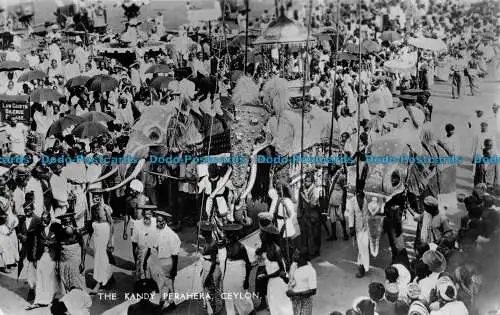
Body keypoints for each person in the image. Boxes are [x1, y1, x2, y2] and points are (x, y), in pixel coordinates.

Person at [143, 210, 181, 311]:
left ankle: (166, 304)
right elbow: (150, 247)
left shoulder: (172, 235)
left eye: (161, 221)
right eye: (157, 221)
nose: (158, 223)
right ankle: (167, 303)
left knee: (167, 284)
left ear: (166, 221)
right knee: (158, 284)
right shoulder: (154, 231)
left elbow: (175, 254)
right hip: (154, 260)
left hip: (166, 262)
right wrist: (145, 262)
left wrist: (174, 270)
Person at [256, 224, 293, 315]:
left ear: (268, 236)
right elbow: (270, 267)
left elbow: (282, 270)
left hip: (279, 283)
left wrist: (267, 276)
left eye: (263, 234)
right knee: (274, 306)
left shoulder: (276, 250)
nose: (261, 235)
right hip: (272, 283)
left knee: (282, 307)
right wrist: (264, 272)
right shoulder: (267, 248)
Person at [27, 211, 58, 310]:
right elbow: (35, 243)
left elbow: (58, 244)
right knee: (40, 278)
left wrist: (57, 259)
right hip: (41, 256)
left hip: (51, 256)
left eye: (45, 220)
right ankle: (39, 300)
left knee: (50, 277)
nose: (43, 222)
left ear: (50, 218)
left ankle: (50, 298)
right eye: (42, 219)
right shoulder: (38, 228)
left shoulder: (56, 227)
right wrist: (35, 258)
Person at [221, 223, 255, 315]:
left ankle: (248, 311)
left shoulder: (241, 247)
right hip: (229, 274)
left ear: (233, 235)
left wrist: (246, 280)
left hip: (239, 274)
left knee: (241, 296)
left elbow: (248, 264)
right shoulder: (226, 246)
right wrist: (224, 276)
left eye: (227, 234)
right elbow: (224, 262)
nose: (225, 235)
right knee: (229, 295)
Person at [54, 212, 87, 293]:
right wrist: (57, 264)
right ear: (62, 224)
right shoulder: (59, 234)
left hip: (75, 259)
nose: (68, 225)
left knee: (76, 279)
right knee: (64, 278)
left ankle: (79, 297)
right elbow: (58, 249)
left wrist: (82, 262)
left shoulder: (77, 233)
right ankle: (67, 299)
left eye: (70, 223)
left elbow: (83, 247)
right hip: (63, 261)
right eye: (65, 223)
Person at [89, 189, 114, 294]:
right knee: (98, 258)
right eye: (94, 196)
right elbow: (91, 223)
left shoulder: (106, 208)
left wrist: (110, 241)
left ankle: (101, 282)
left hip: (105, 233)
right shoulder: (92, 208)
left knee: (104, 258)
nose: (95, 198)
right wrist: (88, 239)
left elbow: (112, 224)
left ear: (101, 197)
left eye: (97, 196)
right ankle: (108, 278)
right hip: (97, 235)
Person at [17, 200, 40, 302]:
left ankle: (36, 289)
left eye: (29, 210)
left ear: (33, 209)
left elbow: (40, 236)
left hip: (34, 249)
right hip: (25, 249)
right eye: (25, 210)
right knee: (27, 269)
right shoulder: (21, 219)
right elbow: (17, 232)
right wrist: (21, 236)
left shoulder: (38, 220)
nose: (26, 212)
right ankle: (31, 288)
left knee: (35, 270)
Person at [199, 221, 223, 315]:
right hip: (207, 266)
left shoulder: (212, 244)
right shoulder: (207, 241)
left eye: (202, 231)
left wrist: (209, 275)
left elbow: (213, 262)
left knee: (213, 289)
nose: (201, 233)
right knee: (207, 288)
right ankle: (211, 306)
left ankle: (217, 309)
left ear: (206, 233)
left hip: (212, 268)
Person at [346, 185, 369, 278]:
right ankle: (362, 267)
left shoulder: (366, 199)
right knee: (361, 249)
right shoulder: (352, 201)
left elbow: (368, 213)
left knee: (364, 249)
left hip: (366, 228)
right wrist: (351, 228)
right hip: (358, 229)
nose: (360, 192)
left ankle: (362, 267)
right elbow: (351, 215)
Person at [298, 172, 322, 258]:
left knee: (315, 234)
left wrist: (304, 197)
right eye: (305, 181)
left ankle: (316, 251)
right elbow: (300, 203)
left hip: (314, 213)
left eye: (308, 181)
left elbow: (312, 204)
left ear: (312, 182)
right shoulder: (303, 188)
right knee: (307, 233)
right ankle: (309, 251)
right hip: (306, 213)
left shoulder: (314, 190)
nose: (306, 183)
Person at [287, 249, 317, 315]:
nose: (293, 256)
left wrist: (294, 294)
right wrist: (284, 277)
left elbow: (313, 291)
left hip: (305, 303)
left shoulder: (310, 270)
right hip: (295, 302)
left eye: (296, 254)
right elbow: (291, 281)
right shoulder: (294, 266)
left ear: (302, 258)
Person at [131, 204, 157, 279]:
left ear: (152, 213)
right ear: (143, 214)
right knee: (141, 265)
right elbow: (134, 240)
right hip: (142, 248)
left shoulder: (155, 222)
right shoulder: (137, 223)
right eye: (146, 213)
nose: (148, 215)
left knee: (152, 266)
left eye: (149, 213)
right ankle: (141, 281)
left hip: (152, 247)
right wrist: (136, 250)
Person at [327, 167, 349, 241]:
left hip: (338, 199)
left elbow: (344, 187)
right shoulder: (334, 175)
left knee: (341, 216)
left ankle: (345, 233)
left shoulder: (341, 176)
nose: (332, 166)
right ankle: (333, 235)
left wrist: (343, 200)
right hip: (333, 199)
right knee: (332, 217)